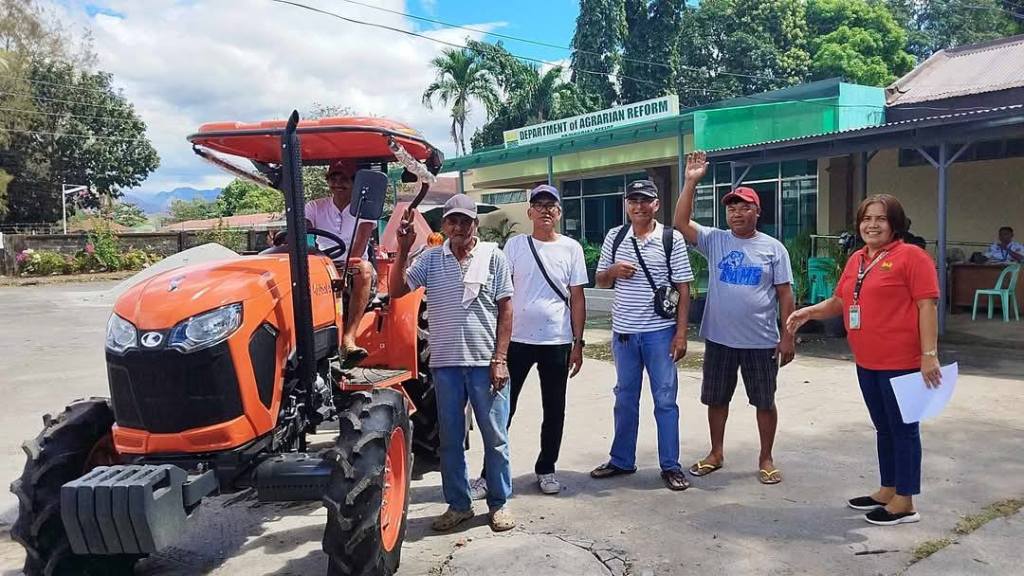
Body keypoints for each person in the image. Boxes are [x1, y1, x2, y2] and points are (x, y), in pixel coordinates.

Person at [787, 194, 942, 526]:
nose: (872, 225)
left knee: (904, 430)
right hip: (868, 361)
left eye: (881, 219)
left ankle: (905, 502)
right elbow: (841, 301)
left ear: (895, 224)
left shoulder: (912, 257)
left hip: (903, 361)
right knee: (884, 428)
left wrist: (929, 355)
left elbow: (926, 306)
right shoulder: (858, 258)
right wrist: (809, 312)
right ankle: (889, 489)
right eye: (866, 219)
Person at [388, 194, 516, 532]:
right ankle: (459, 505)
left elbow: (506, 309)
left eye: (465, 221)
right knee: (450, 441)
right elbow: (397, 290)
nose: (458, 227)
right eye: (452, 221)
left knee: (496, 438)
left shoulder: (493, 257)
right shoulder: (431, 259)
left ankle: (499, 503)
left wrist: (500, 359)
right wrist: (403, 248)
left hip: (486, 364)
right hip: (445, 366)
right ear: (444, 225)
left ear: (475, 224)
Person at [673, 151, 796, 486]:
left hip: (761, 342)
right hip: (720, 340)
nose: (737, 213)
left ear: (758, 211)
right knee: (716, 399)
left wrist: (788, 336)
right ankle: (716, 453)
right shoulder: (716, 240)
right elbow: (681, 223)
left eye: (744, 207)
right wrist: (691, 182)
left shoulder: (773, 248)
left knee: (764, 401)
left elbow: (786, 295)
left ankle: (766, 457)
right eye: (732, 208)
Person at [469, 184, 588, 500]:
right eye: (539, 205)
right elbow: (501, 293)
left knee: (555, 409)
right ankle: (489, 475)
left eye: (551, 205)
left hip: (557, 341)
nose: (545, 210)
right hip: (517, 341)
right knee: (502, 410)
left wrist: (578, 342)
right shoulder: (515, 246)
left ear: (559, 213)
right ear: (530, 212)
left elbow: (577, 298)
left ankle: (546, 469)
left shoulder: (571, 249)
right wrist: (497, 344)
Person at [590, 179, 694, 491]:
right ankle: (622, 460)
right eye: (633, 200)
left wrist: (681, 334)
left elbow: (684, 288)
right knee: (624, 398)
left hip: (659, 334)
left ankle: (670, 465)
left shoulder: (670, 238)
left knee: (665, 400)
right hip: (624, 335)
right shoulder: (615, 236)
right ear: (626, 205)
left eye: (645, 200)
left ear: (656, 205)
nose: (639, 206)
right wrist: (613, 271)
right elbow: (600, 280)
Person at [304, 160, 376, 365]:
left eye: (344, 179)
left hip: (353, 267)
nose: (337, 183)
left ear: (354, 182)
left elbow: (360, 246)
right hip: (323, 265)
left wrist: (342, 270)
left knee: (363, 269)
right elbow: (303, 230)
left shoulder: (364, 209)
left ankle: (348, 339)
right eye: (333, 178)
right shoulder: (314, 207)